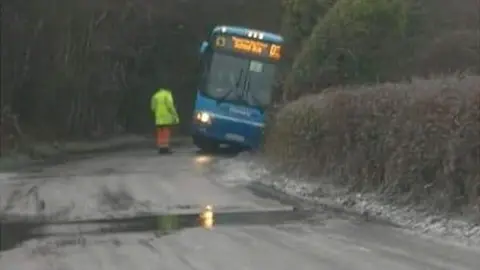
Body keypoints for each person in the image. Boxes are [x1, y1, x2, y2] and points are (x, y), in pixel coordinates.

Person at [150, 88, 179, 154]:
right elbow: (170, 106)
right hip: (166, 118)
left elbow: (153, 108)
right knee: (166, 133)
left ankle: (160, 149)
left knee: (160, 134)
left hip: (158, 119)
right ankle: (165, 149)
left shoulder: (155, 95)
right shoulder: (167, 95)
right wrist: (175, 115)